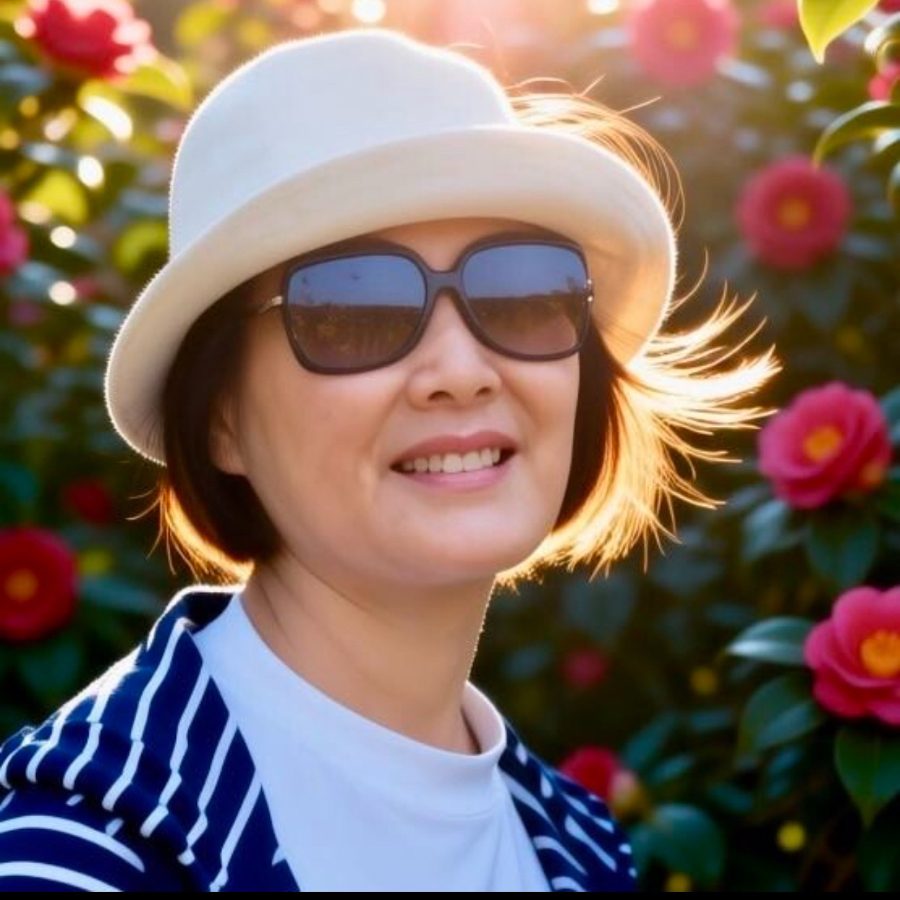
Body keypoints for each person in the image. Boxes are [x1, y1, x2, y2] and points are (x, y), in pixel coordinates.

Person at [0, 28, 774, 891]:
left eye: (519, 290)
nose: (462, 371)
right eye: (354, 310)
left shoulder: (582, 848)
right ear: (221, 418)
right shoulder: (80, 855)